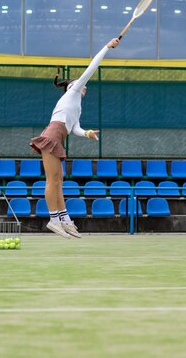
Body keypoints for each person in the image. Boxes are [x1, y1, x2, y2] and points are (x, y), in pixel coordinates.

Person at [30, 37, 121, 238]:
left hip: (58, 138)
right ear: (72, 86)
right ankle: (53, 220)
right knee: (52, 181)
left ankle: (65, 220)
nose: (83, 87)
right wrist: (107, 47)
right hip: (51, 136)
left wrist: (87, 133)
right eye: (79, 85)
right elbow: (92, 67)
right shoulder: (72, 93)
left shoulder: (76, 107)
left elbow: (76, 128)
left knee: (58, 181)